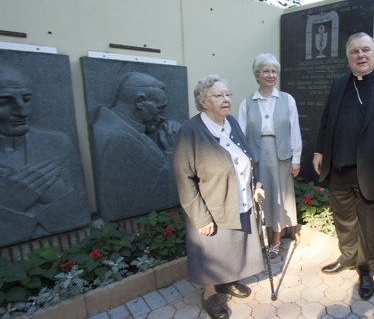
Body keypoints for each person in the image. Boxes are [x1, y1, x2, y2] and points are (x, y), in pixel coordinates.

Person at [312, 32, 374, 300]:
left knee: (370, 226)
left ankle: (366, 270)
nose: (361, 55)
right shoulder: (338, 83)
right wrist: (320, 150)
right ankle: (348, 258)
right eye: (354, 52)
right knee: (344, 220)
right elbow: (326, 119)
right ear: (348, 58)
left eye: (366, 50)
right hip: (339, 169)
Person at [173, 74, 265, 319]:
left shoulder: (231, 122)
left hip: (239, 200)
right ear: (203, 102)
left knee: (233, 247)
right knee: (212, 253)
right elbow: (184, 178)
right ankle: (210, 294)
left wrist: (255, 185)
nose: (226, 100)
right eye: (219, 95)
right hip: (212, 206)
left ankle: (227, 281)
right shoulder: (190, 131)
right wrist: (200, 217)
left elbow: (245, 157)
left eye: (227, 95)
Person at [0, 65, 89, 246]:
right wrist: (11, 205)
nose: (23, 111)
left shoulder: (57, 143)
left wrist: (57, 194)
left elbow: (79, 212)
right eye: (3, 102)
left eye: (26, 99)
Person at [90, 72, 180, 221]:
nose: (162, 116)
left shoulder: (128, 130)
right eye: (159, 109)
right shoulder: (119, 138)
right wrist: (172, 150)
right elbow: (161, 193)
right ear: (140, 102)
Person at [238, 53, 302, 259]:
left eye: (274, 71)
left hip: (281, 155)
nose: (271, 75)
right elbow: (240, 135)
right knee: (259, 198)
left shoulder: (287, 100)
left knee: (278, 197)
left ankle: (276, 240)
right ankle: (259, 239)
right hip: (256, 155)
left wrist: (296, 159)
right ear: (257, 75)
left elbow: (295, 131)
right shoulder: (246, 103)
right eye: (266, 71)